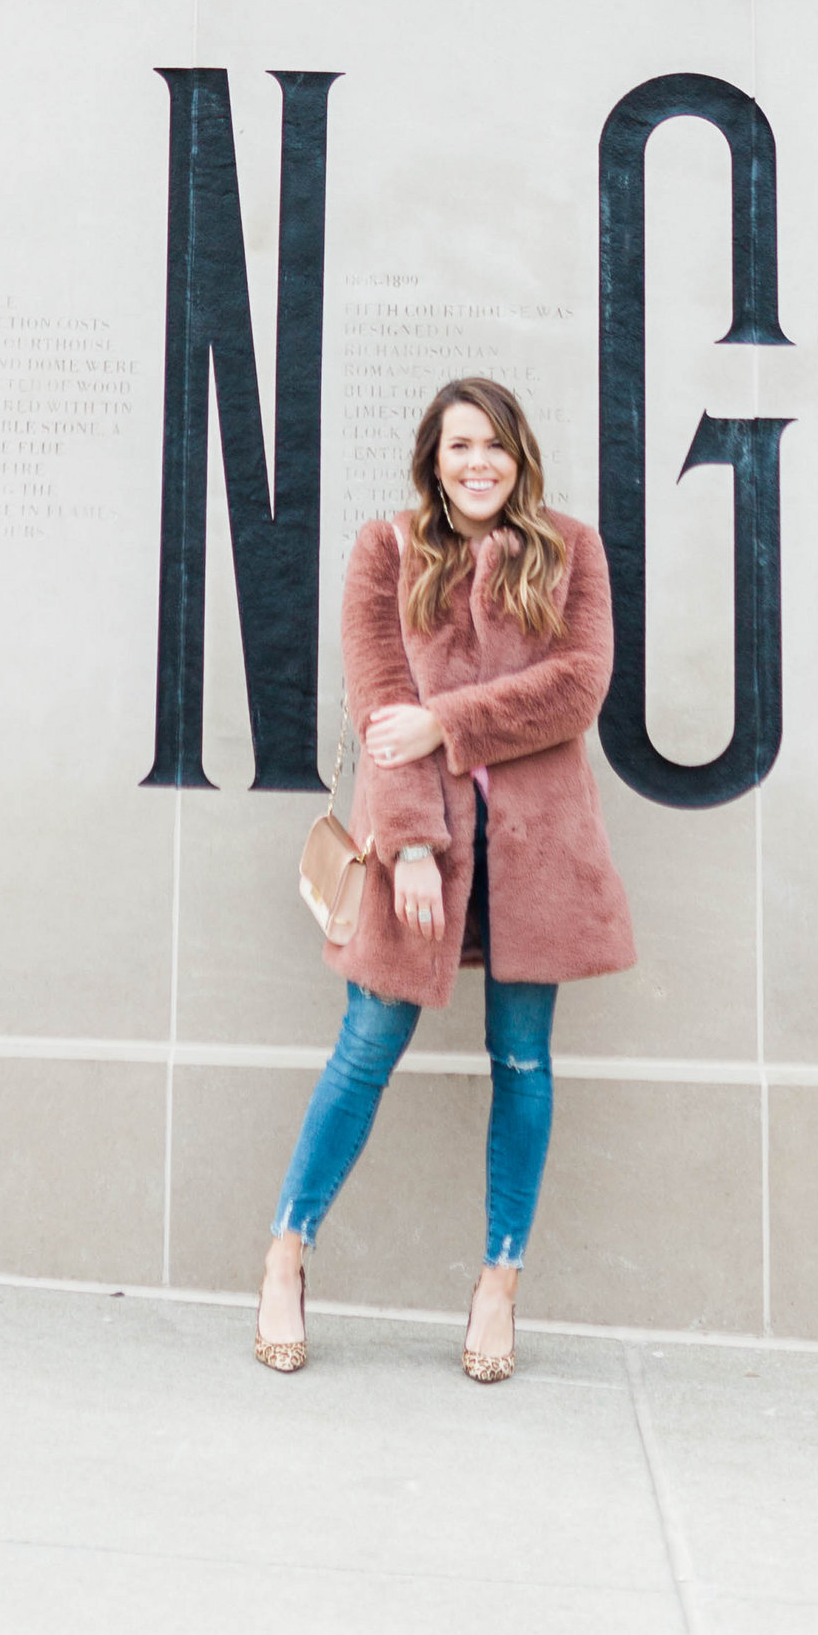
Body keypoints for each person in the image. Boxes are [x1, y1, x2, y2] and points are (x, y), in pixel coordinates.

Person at [255, 376, 632, 1382]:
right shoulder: (386, 548)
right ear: (434, 455)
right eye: (460, 444)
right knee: (367, 1044)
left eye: (496, 446)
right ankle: (288, 1251)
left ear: (520, 457)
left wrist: (450, 718)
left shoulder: (571, 547)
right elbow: (382, 699)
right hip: (421, 845)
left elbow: (578, 686)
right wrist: (414, 840)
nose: (479, 463)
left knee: (522, 1059)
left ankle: (499, 1282)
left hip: (537, 847)